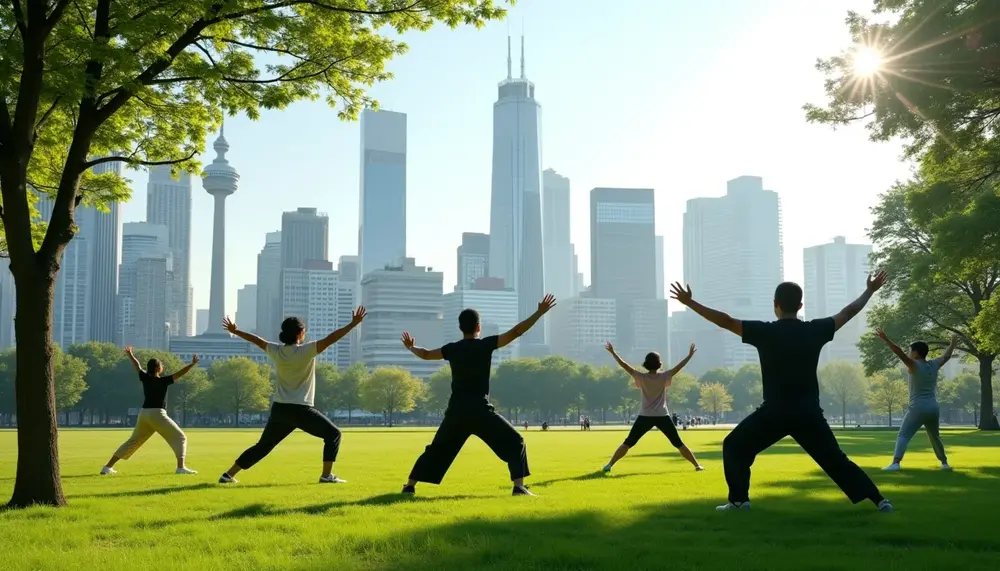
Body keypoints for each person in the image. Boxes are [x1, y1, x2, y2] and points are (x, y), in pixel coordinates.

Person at [669, 273, 893, 513]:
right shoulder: (816, 330)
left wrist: (690, 303)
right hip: (808, 412)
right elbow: (848, 312)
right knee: (836, 461)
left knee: (735, 446)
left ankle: (739, 501)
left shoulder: (764, 332)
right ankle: (879, 500)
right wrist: (869, 290)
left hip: (775, 411)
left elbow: (725, 321)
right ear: (800, 306)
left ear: (775, 305)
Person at [400, 294, 557, 496]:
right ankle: (518, 487)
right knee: (515, 442)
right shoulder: (485, 345)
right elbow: (516, 331)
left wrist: (411, 347)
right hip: (480, 410)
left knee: (437, 449)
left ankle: (410, 485)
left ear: (460, 328)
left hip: (457, 411)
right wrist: (539, 312)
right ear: (478, 327)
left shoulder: (452, 349)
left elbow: (426, 354)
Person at [218, 308, 366, 484]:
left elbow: (257, 340)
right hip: (300, 409)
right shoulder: (306, 351)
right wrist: (352, 324)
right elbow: (331, 339)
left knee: (263, 446)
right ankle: (326, 476)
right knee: (333, 434)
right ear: (300, 333)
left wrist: (236, 331)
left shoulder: (276, 351)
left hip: (280, 409)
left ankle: (228, 474)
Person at [602, 342, 704, 473]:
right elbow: (680, 367)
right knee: (678, 443)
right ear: (659, 364)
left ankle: (609, 465)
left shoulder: (641, 377)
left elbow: (624, 366)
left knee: (628, 442)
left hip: (645, 416)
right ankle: (697, 465)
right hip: (662, 415)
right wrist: (689, 356)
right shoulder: (664, 376)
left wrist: (613, 353)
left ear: (646, 363)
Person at [101, 347, 200, 475]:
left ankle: (107, 467)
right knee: (180, 437)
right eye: (161, 365)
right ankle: (180, 467)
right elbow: (179, 373)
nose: (163, 366)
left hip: (144, 414)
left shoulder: (144, 378)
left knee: (132, 441)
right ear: (158, 368)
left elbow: (137, 366)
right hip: (157, 414)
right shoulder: (163, 381)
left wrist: (130, 354)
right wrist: (192, 364)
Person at [876, 328, 956, 471]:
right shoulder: (933, 364)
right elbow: (946, 357)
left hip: (918, 407)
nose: (908, 353)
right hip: (933, 407)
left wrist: (886, 339)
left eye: (910, 350)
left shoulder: (914, 365)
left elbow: (898, 352)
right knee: (935, 437)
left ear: (916, 353)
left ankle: (895, 463)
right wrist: (953, 343)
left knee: (903, 435)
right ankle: (944, 463)